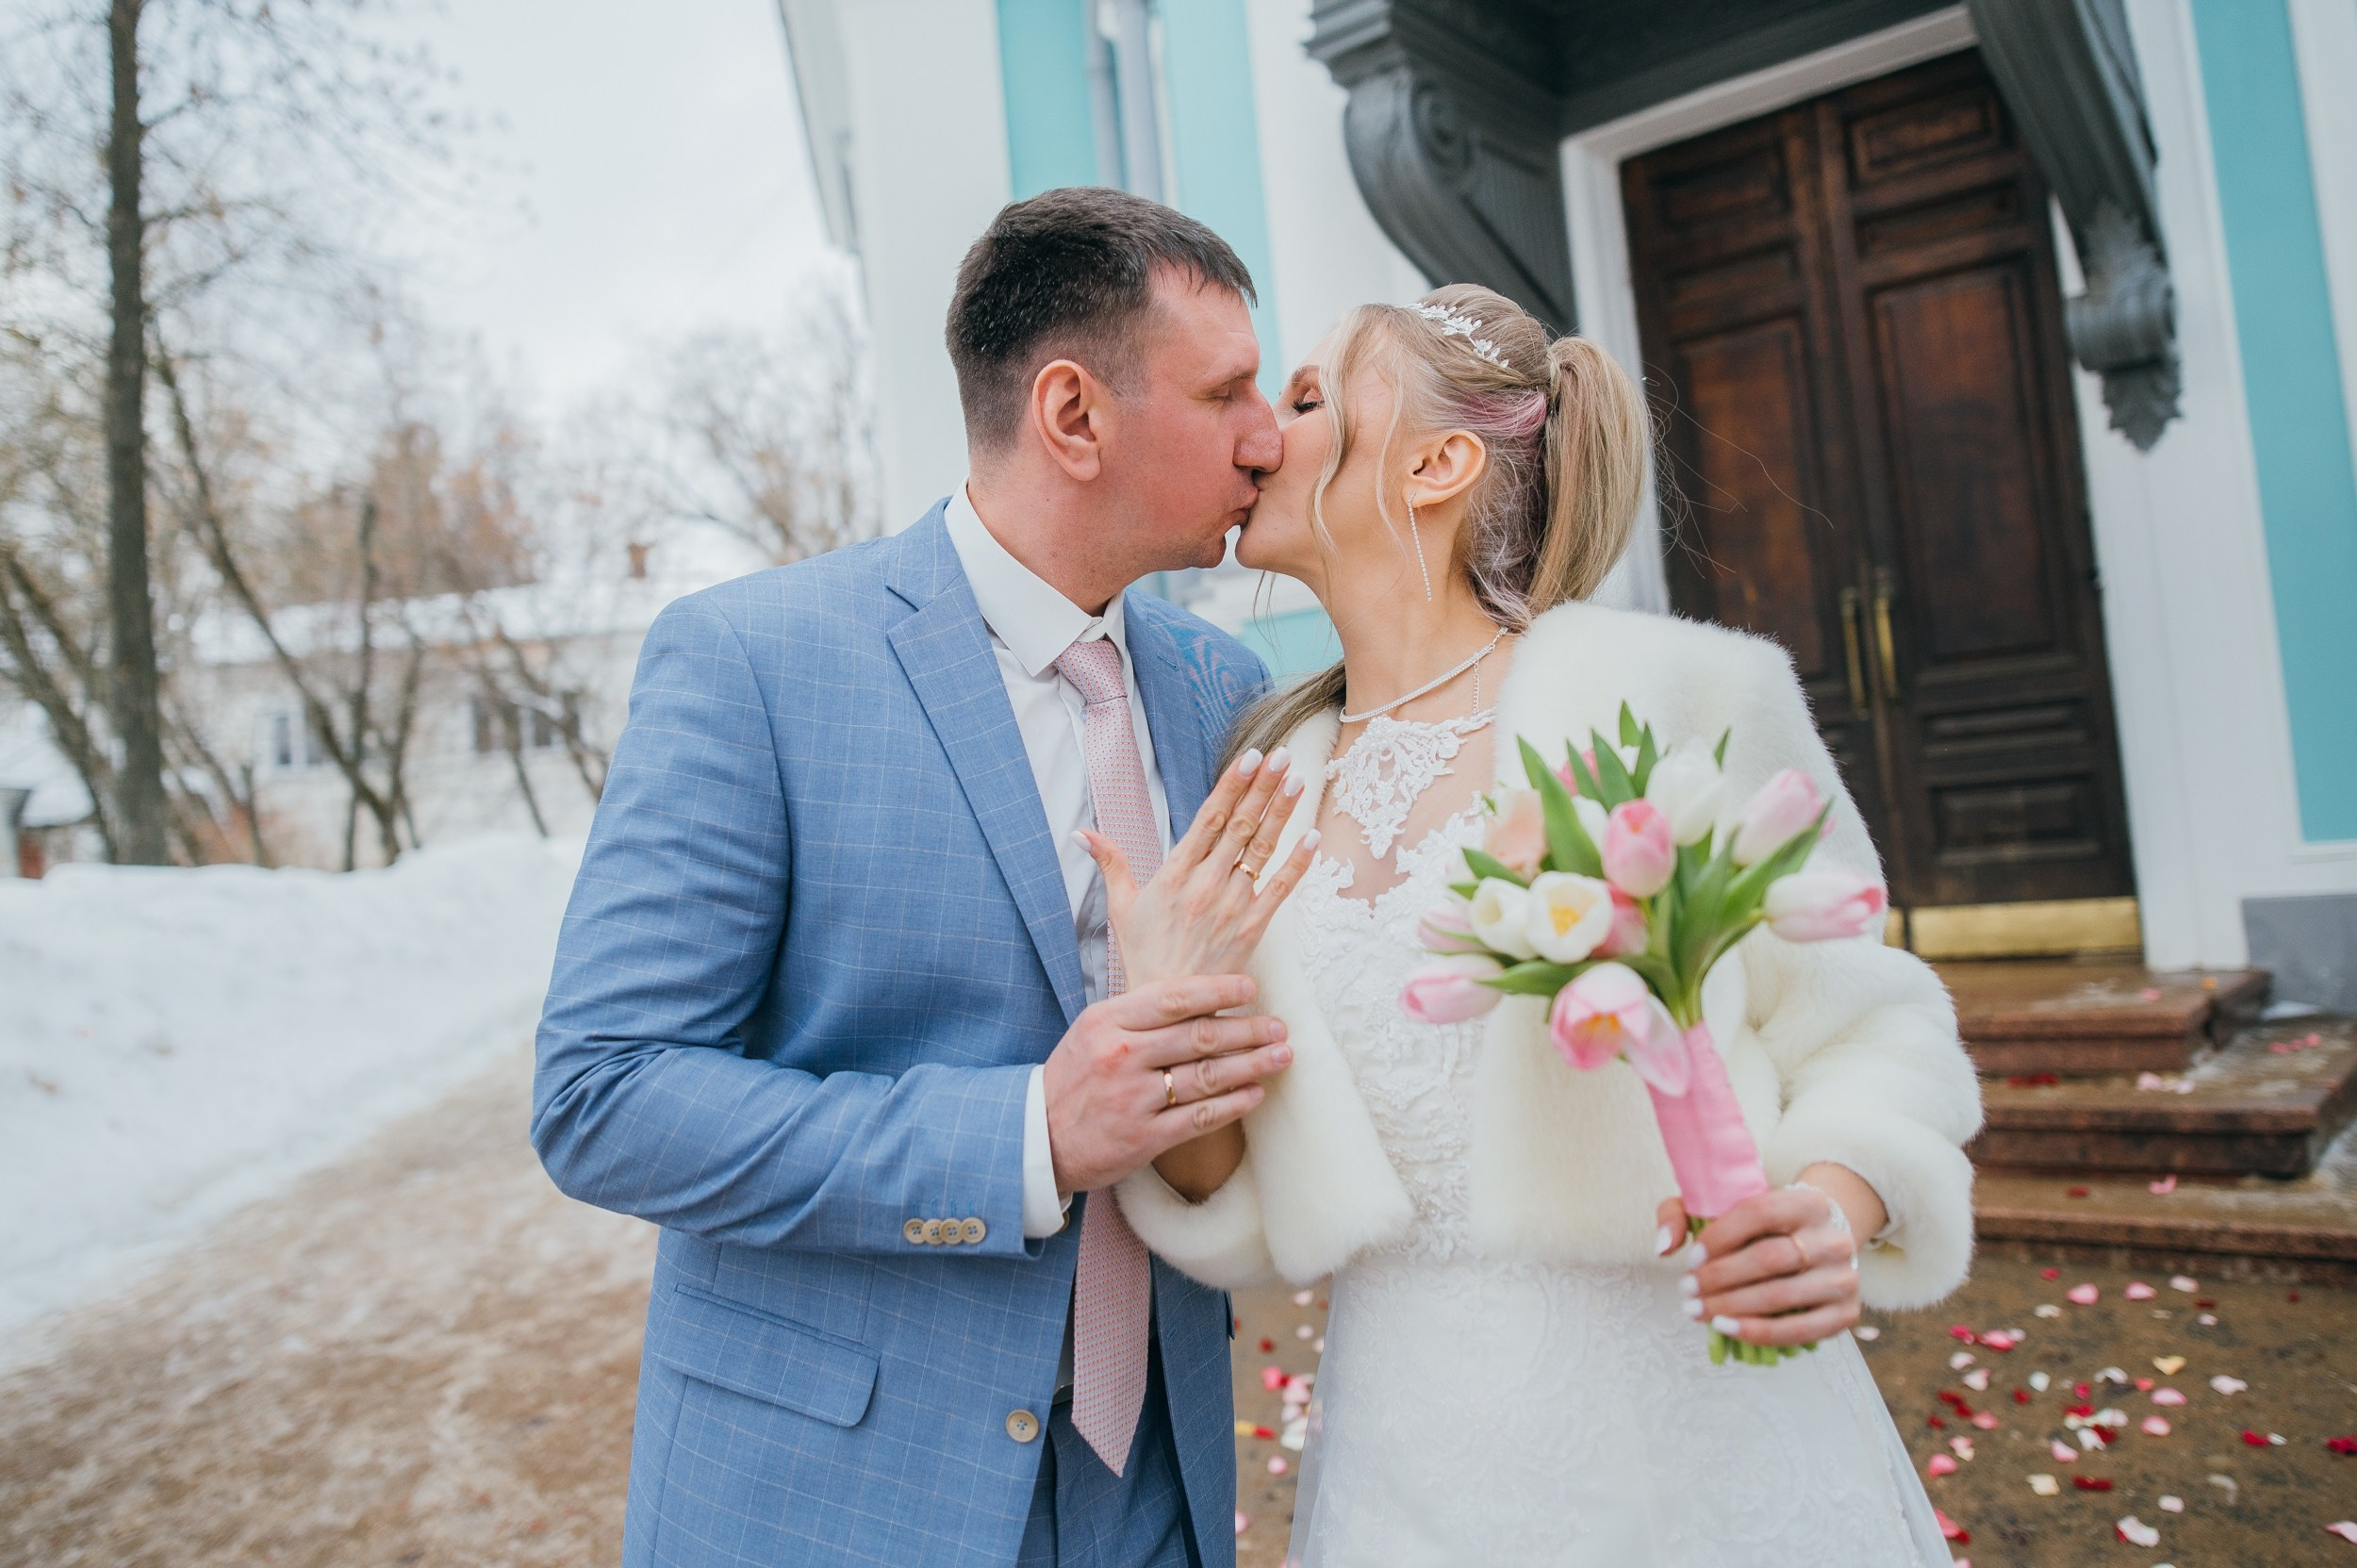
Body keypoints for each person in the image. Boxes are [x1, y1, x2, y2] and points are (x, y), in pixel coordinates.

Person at [1096, 285, 1985, 1566]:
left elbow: (1871, 1022)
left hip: (1701, 1435)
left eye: (1302, 401)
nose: (1257, 437)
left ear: (1438, 463)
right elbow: (1230, 1199)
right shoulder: (1263, 781)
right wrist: (1171, 1017)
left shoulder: (1677, 693)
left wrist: (1836, 1205)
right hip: (1412, 1457)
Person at [532, 187, 1324, 1568]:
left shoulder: (1225, 694)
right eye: (1227, 392)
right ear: (1073, 417)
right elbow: (603, 1095)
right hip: (842, 1498)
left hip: (1163, 1493)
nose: (1270, 438)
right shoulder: (754, 665)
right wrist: (1026, 1137)